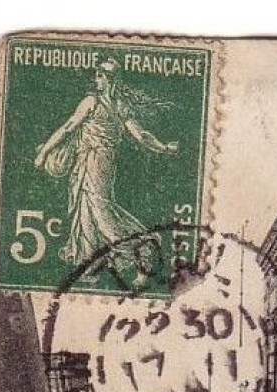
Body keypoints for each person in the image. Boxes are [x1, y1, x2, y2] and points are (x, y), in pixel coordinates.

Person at [32, 58, 179, 280]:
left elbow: (69, 128)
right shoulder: (112, 105)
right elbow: (139, 135)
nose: (97, 79)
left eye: (101, 75)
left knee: (100, 211)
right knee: (86, 211)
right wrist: (165, 148)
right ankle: (91, 261)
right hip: (91, 161)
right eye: (97, 75)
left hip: (97, 161)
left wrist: (44, 153)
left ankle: (143, 249)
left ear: (110, 80)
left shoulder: (96, 102)